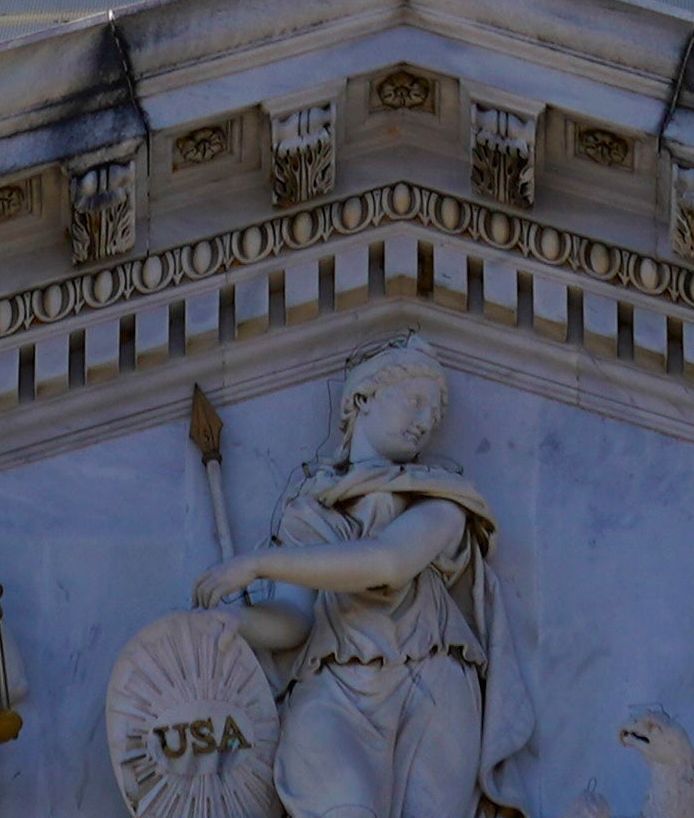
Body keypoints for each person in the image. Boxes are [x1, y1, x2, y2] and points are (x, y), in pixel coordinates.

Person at [195, 340, 531, 818]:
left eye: (433, 417)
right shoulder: (306, 513)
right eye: (415, 401)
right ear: (362, 399)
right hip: (334, 690)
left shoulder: (443, 503)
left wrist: (258, 564)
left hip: (429, 685)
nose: (423, 422)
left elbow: (387, 564)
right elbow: (293, 621)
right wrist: (232, 623)